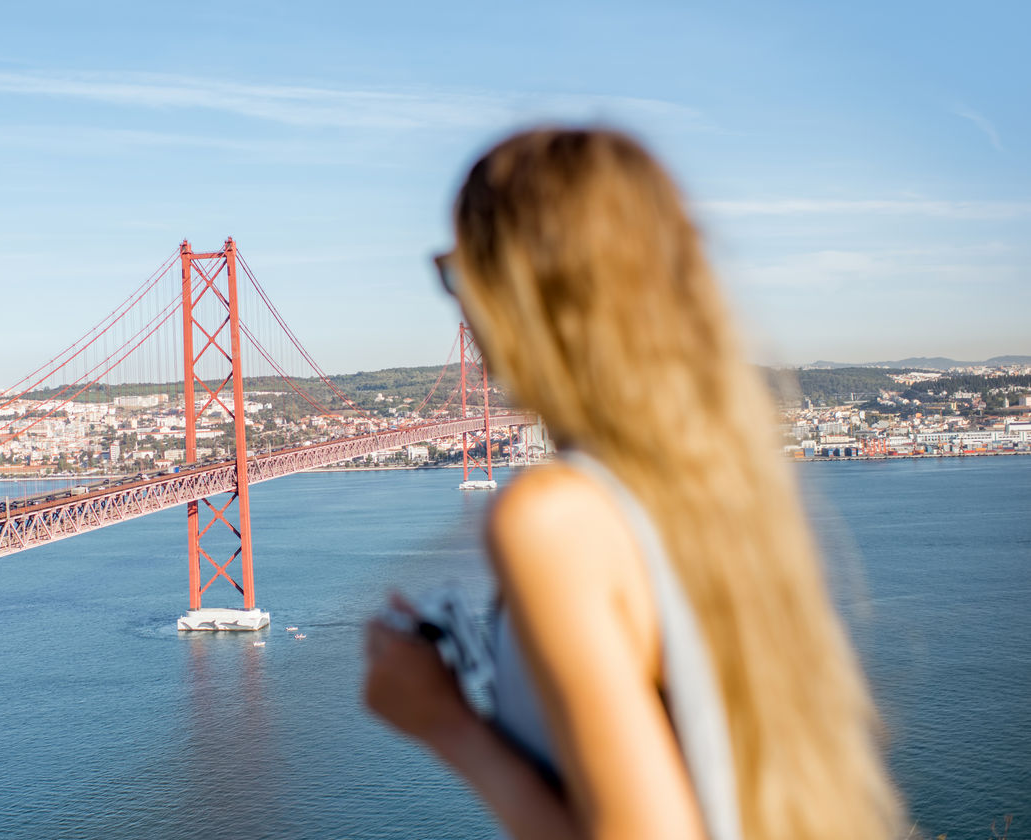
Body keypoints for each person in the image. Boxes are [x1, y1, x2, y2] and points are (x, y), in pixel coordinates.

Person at [363, 128, 899, 840]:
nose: (457, 305)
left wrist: (446, 724)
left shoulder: (552, 517)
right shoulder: (722, 487)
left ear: (516, 289)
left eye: (457, 271)